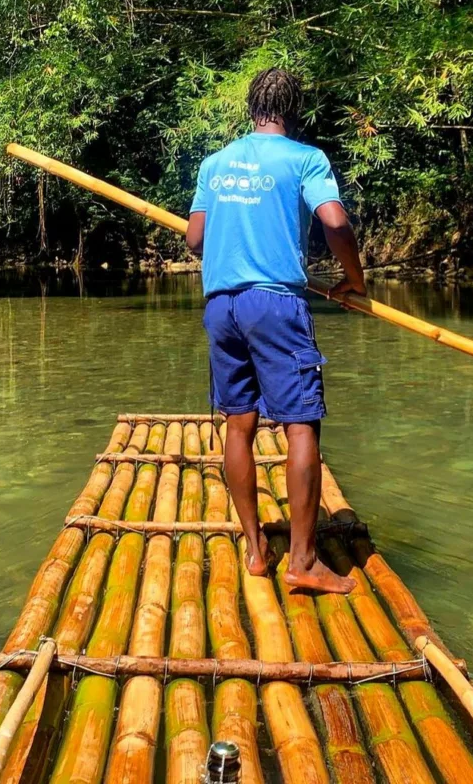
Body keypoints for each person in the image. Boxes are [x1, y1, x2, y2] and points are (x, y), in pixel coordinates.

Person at [186, 68, 366, 594]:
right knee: (301, 425)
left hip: (222, 305)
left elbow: (196, 240)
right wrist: (353, 280)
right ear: (296, 111)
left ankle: (257, 549)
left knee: (238, 425)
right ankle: (304, 562)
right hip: (276, 304)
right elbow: (334, 222)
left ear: (251, 108)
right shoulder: (305, 159)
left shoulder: (214, 165)